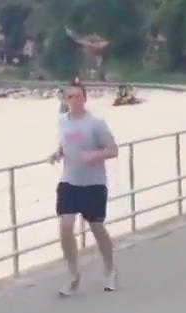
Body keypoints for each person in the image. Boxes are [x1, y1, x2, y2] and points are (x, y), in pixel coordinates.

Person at [48, 81, 120, 296]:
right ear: (65, 100)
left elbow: (112, 150)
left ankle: (110, 269)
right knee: (65, 227)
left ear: (85, 98)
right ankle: (73, 274)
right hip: (69, 181)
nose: (74, 101)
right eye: (69, 97)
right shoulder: (62, 121)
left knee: (97, 228)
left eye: (78, 96)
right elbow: (67, 144)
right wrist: (57, 153)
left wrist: (94, 155)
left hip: (94, 183)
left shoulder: (96, 124)